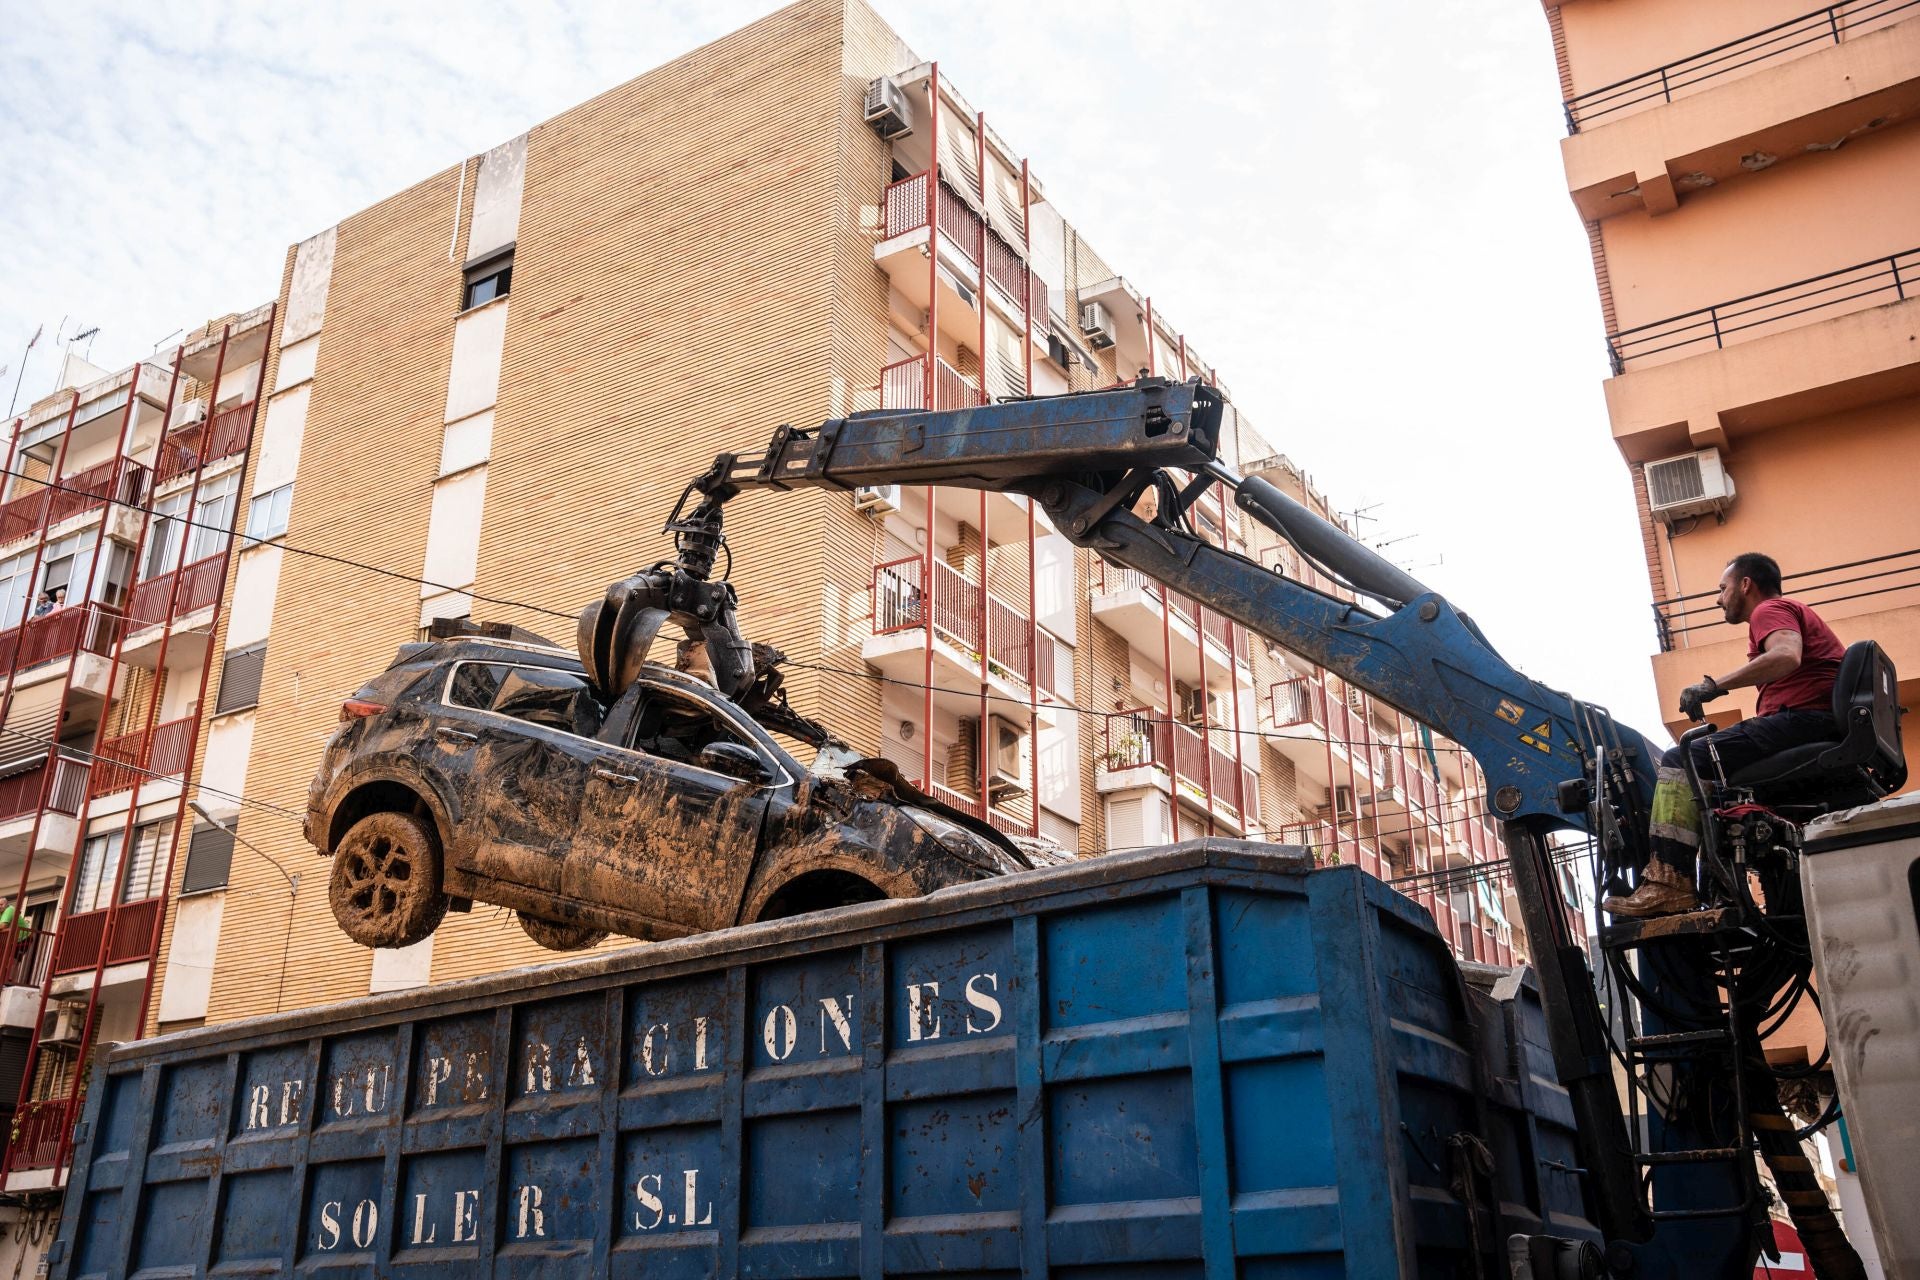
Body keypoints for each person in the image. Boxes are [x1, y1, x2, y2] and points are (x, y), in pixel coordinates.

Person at [1603, 552, 1846, 918]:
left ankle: (1669, 883)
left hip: (1802, 721)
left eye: (1722, 588)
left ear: (1745, 584)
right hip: (1811, 723)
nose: (1719, 598)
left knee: (1681, 758)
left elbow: (1786, 655)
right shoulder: (1789, 611)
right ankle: (1721, 888)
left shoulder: (1770, 610)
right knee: (1713, 794)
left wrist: (1712, 687)